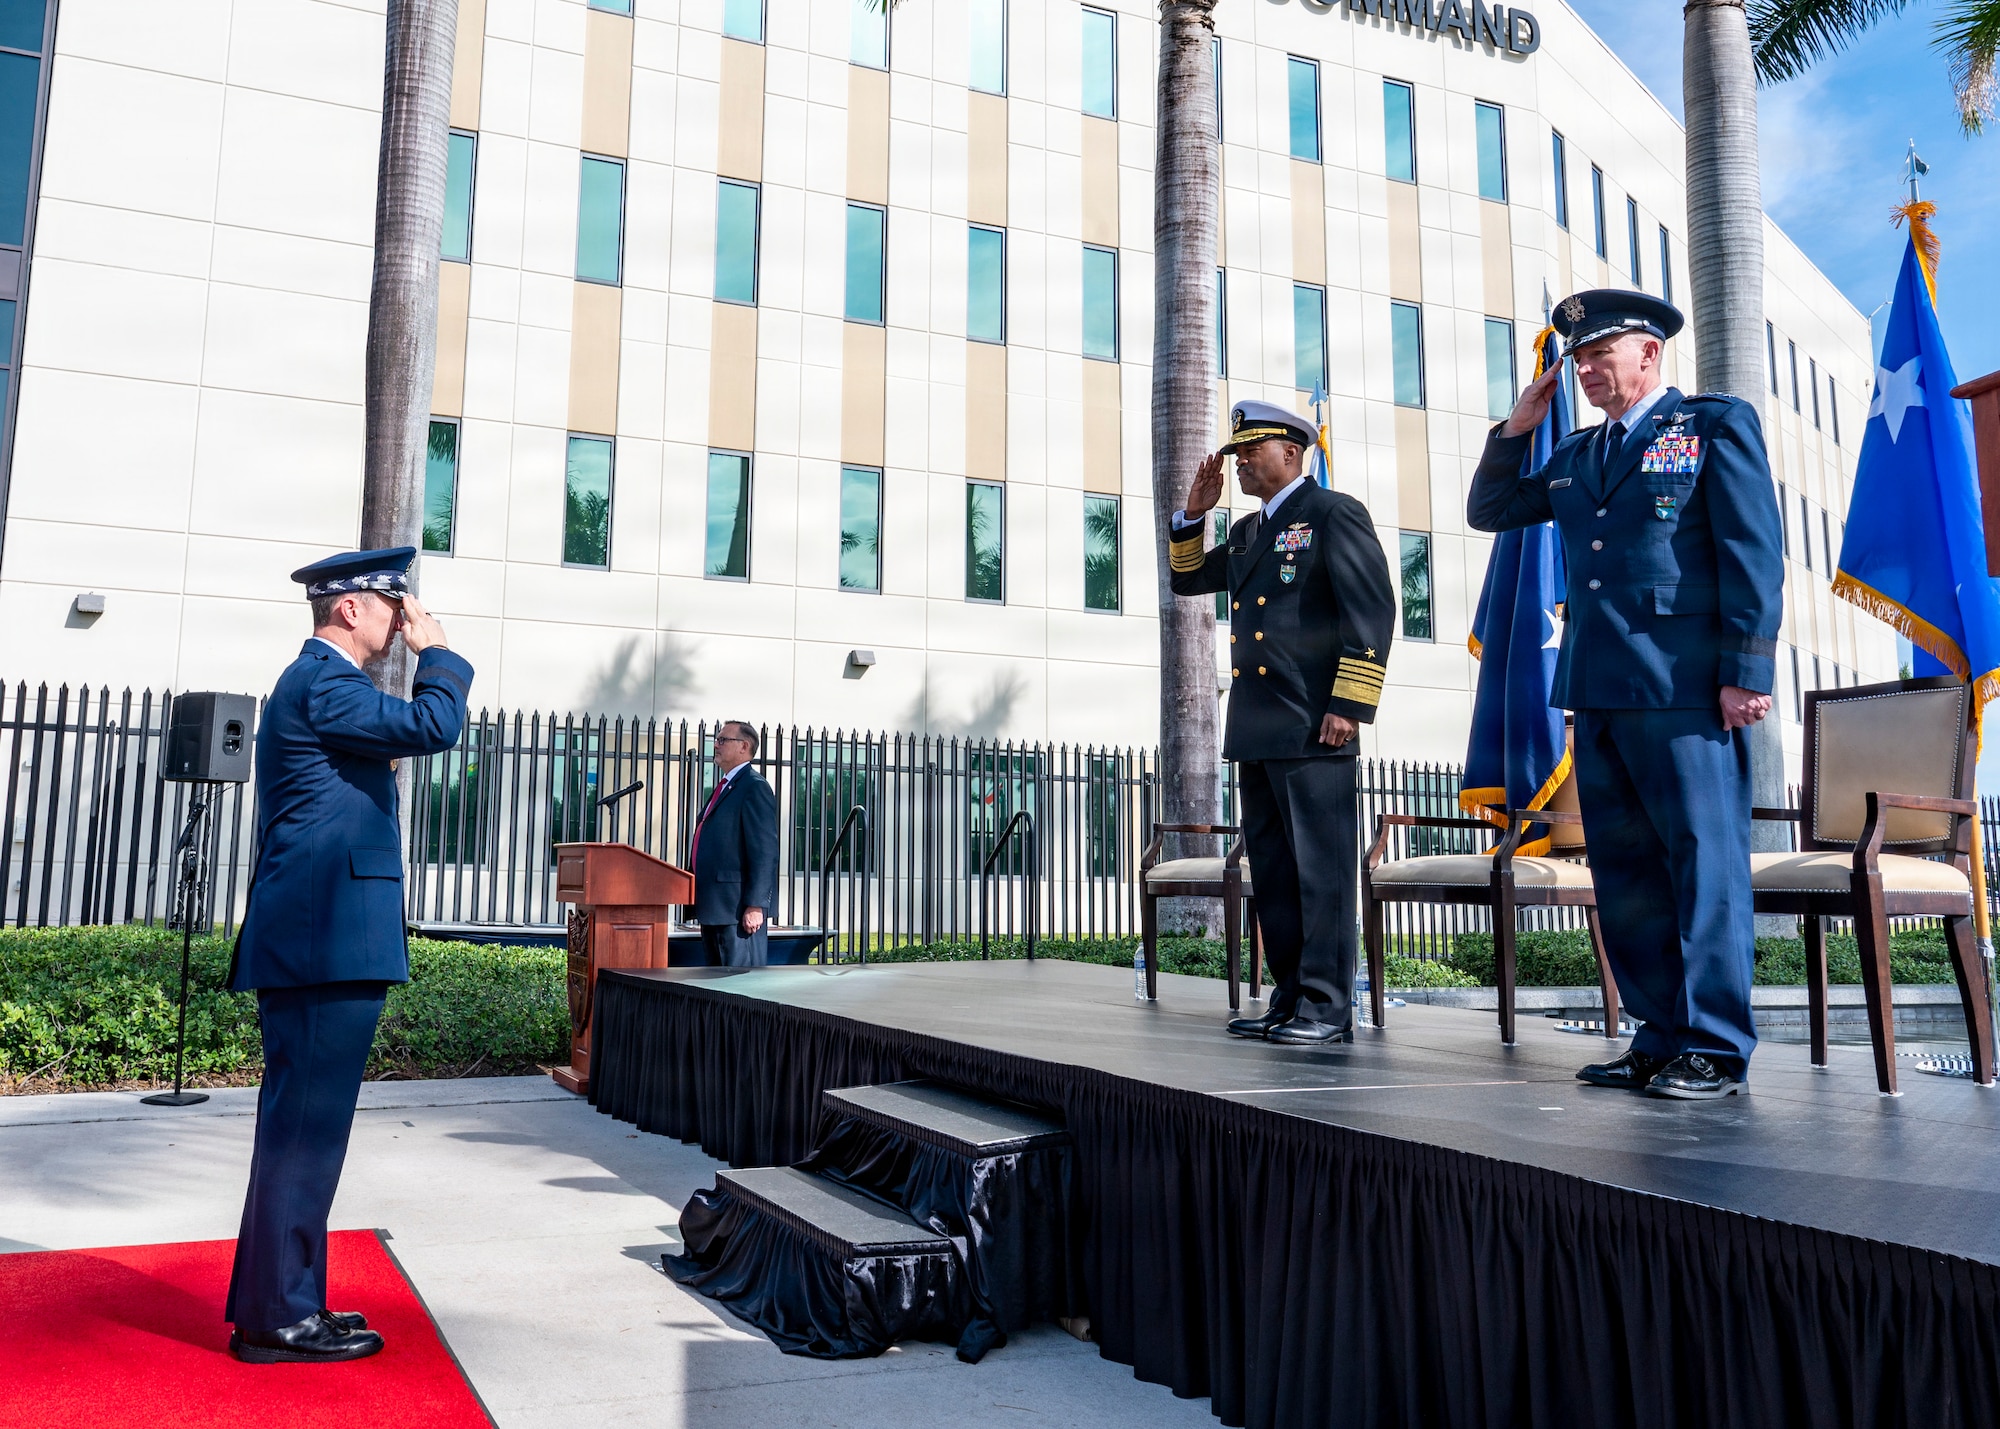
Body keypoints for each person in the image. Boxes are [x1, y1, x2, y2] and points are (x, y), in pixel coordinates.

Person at [1467, 290, 1783, 1100]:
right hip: (1597, 689)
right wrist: (1518, 423)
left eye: (1600, 352)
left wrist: (1746, 671)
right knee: (1627, 873)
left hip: (1686, 688)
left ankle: (1714, 1043)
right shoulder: (1572, 453)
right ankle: (1658, 1035)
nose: (1586, 368)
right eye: (1577, 358)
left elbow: (1752, 548)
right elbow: (1491, 509)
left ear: (1650, 352)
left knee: (1703, 864)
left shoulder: (1711, 426)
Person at [225, 547, 474, 1363]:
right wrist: (437, 653)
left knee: (304, 1133)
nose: (399, 619)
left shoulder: (325, 687)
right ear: (349, 610)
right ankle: (280, 1316)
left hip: (323, 938)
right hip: (320, 942)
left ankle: (285, 1301)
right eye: (389, 604)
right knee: (304, 1135)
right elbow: (434, 723)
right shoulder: (327, 681)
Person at [1169, 400, 1396, 1044]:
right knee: (1275, 873)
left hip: (1312, 724)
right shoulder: (1246, 531)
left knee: (1321, 873)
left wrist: (1349, 706)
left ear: (1291, 453)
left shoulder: (1332, 513)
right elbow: (1188, 579)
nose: (1239, 462)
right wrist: (1194, 515)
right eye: (1236, 453)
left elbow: (1371, 612)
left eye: (1250, 451)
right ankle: (1290, 998)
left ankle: (1327, 1006)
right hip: (1258, 729)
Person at [689, 719, 779, 967]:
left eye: (722, 740)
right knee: (717, 989)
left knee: (740, 989)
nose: (716, 745)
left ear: (744, 746)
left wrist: (756, 905)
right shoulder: (725, 786)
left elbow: (764, 851)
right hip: (714, 907)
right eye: (716, 740)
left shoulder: (753, 787)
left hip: (737, 910)